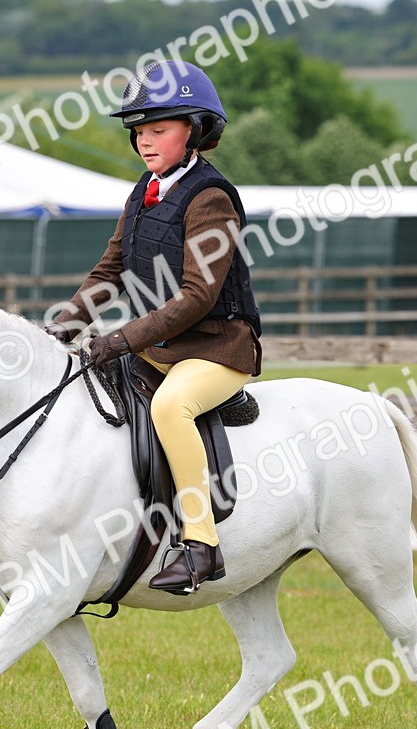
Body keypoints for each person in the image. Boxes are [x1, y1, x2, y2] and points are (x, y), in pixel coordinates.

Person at [46, 60, 261, 595]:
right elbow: (111, 270)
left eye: (158, 129)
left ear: (195, 130)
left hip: (216, 347)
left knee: (169, 407)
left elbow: (196, 298)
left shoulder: (211, 198)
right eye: (138, 130)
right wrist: (62, 327)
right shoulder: (145, 189)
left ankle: (200, 546)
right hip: (162, 349)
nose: (144, 140)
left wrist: (120, 339)